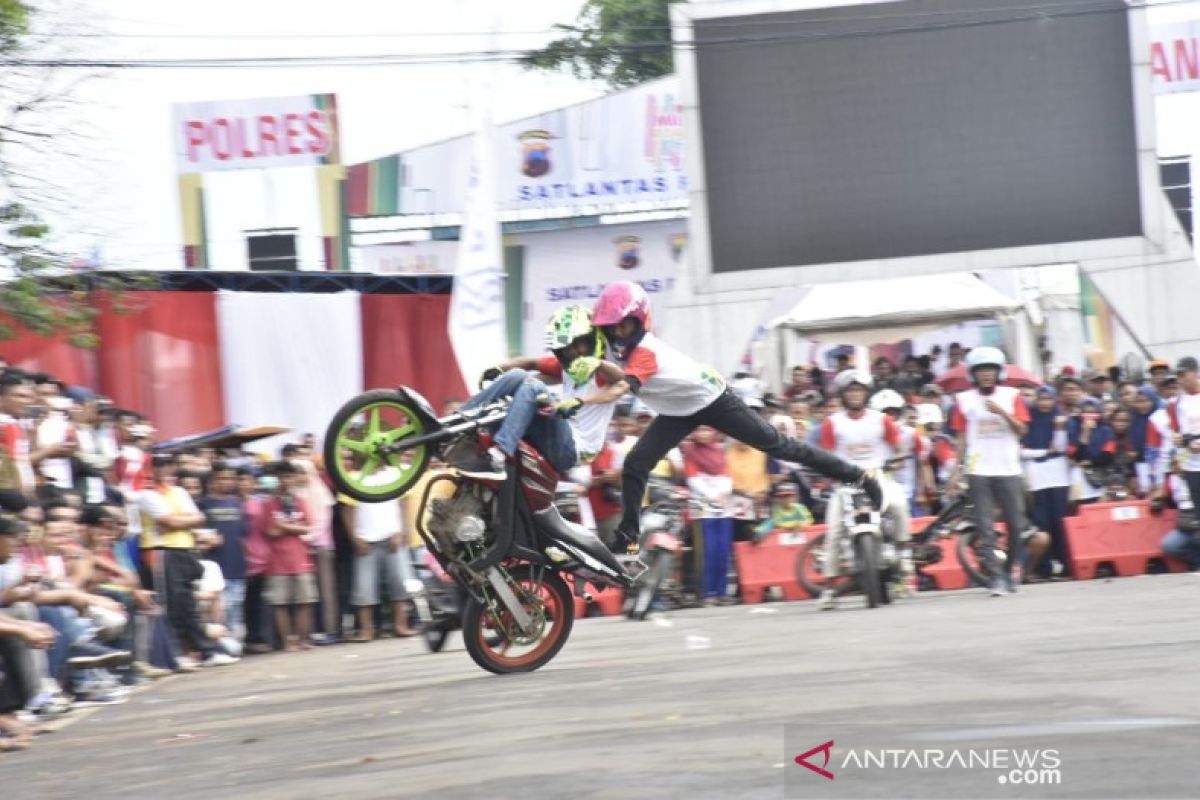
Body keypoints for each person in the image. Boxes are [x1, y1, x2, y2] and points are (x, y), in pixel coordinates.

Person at [587, 282, 880, 550]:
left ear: (638, 322)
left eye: (623, 326)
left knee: (782, 447)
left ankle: (859, 477)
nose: (618, 332)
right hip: (678, 410)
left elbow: (618, 390)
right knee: (636, 462)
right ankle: (628, 536)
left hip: (714, 401)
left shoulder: (645, 352)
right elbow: (574, 362)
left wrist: (579, 401)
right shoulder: (610, 349)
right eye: (612, 328)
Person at [455, 305, 626, 480]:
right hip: (555, 435)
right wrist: (497, 368)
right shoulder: (567, 369)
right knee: (517, 375)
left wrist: (597, 365)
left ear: (592, 340)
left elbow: (621, 381)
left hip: (575, 449)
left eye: (579, 344)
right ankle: (460, 420)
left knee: (533, 387)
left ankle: (498, 456)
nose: (574, 352)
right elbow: (530, 363)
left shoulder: (602, 374)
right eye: (568, 348)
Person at [815, 374, 912, 609]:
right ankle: (829, 589)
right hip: (845, 480)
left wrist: (896, 461)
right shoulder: (833, 422)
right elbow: (825, 454)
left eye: (858, 390)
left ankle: (904, 554)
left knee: (899, 505)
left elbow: (898, 450)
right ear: (842, 395)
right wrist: (825, 472)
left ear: (866, 393)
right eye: (850, 391)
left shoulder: (881, 420)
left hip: (876, 476)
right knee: (835, 531)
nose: (854, 395)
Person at [947, 346, 1031, 596]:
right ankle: (996, 578)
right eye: (981, 370)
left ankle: (1008, 570)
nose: (986, 375)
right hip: (978, 467)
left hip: (1008, 467)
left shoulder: (1011, 395)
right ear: (973, 374)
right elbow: (961, 438)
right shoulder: (964, 400)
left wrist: (1003, 413)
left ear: (998, 372)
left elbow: (1022, 430)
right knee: (985, 525)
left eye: (990, 370)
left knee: (1016, 525)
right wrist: (956, 471)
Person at [1021, 387, 1071, 580]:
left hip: (1058, 477)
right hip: (1036, 478)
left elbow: (1060, 447)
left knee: (1059, 522)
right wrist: (1043, 453)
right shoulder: (1028, 420)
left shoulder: (1059, 417)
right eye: (1040, 399)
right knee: (1041, 523)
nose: (1044, 404)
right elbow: (1021, 451)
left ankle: (1065, 564)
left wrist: (1058, 428)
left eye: (1048, 399)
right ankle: (1044, 568)